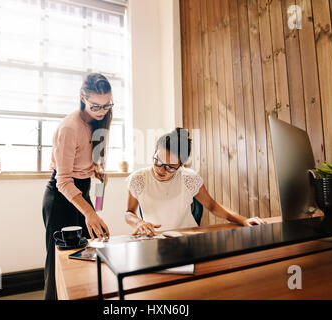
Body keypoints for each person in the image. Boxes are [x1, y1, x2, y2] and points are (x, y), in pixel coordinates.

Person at [42, 73, 113, 300]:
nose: (102, 110)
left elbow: (83, 160)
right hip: (61, 197)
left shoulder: (101, 121)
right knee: (60, 263)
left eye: (107, 105)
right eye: (96, 106)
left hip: (82, 190)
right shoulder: (69, 128)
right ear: (82, 98)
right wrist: (90, 213)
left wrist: (96, 170)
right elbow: (63, 179)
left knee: (89, 253)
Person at [125, 128, 266, 236]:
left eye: (170, 167)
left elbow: (212, 205)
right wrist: (139, 223)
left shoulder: (188, 178)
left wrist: (243, 220)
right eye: (157, 161)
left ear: (181, 165)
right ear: (155, 152)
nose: (161, 170)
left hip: (187, 238)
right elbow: (129, 213)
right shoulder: (139, 179)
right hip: (155, 240)